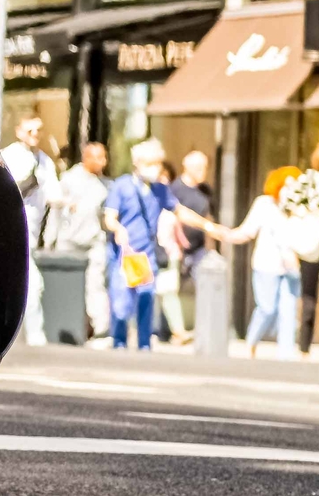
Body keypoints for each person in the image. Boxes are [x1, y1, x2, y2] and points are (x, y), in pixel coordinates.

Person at [209, 166, 306, 357]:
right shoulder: (264, 204)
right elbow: (248, 230)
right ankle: (252, 341)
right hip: (266, 265)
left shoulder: (300, 208)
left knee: (289, 311)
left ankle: (285, 355)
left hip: (292, 267)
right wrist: (226, 234)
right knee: (267, 308)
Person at [103, 139, 177, 351]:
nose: (156, 168)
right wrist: (118, 229)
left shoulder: (159, 190)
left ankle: (144, 344)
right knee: (121, 303)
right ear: (138, 163)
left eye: (158, 163)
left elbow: (179, 210)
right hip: (123, 254)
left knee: (146, 297)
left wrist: (208, 226)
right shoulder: (122, 186)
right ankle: (119, 341)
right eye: (151, 163)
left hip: (146, 254)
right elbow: (109, 217)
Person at [46, 141, 113, 339]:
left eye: (104, 157)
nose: (103, 162)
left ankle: (100, 329)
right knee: (69, 285)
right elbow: (55, 211)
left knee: (96, 284)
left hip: (94, 241)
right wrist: (50, 240)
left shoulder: (107, 186)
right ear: (86, 158)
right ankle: (68, 326)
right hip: (69, 240)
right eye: (99, 157)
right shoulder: (70, 179)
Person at [1, 117, 58, 344]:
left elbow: (54, 193)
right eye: (30, 129)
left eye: (38, 130)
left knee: (29, 285)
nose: (35, 133)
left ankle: (25, 336)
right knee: (31, 285)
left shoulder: (45, 161)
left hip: (32, 234)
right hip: (11, 230)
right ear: (19, 131)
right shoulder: (9, 156)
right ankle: (34, 336)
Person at [160, 148, 216, 348]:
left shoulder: (206, 191)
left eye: (205, 167)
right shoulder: (175, 189)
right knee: (170, 288)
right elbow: (171, 216)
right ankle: (169, 330)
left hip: (199, 248)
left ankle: (204, 329)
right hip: (177, 248)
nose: (203, 171)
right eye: (199, 167)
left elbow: (210, 218)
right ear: (187, 167)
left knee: (206, 285)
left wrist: (212, 249)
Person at [283, 140, 319, 354]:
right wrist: (312, 214)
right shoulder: (310, 179)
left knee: (309, 295)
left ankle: (304, 347)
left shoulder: (310, 179)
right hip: (312, 244)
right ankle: (304, 346)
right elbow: (289, 204)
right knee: (309, 297)